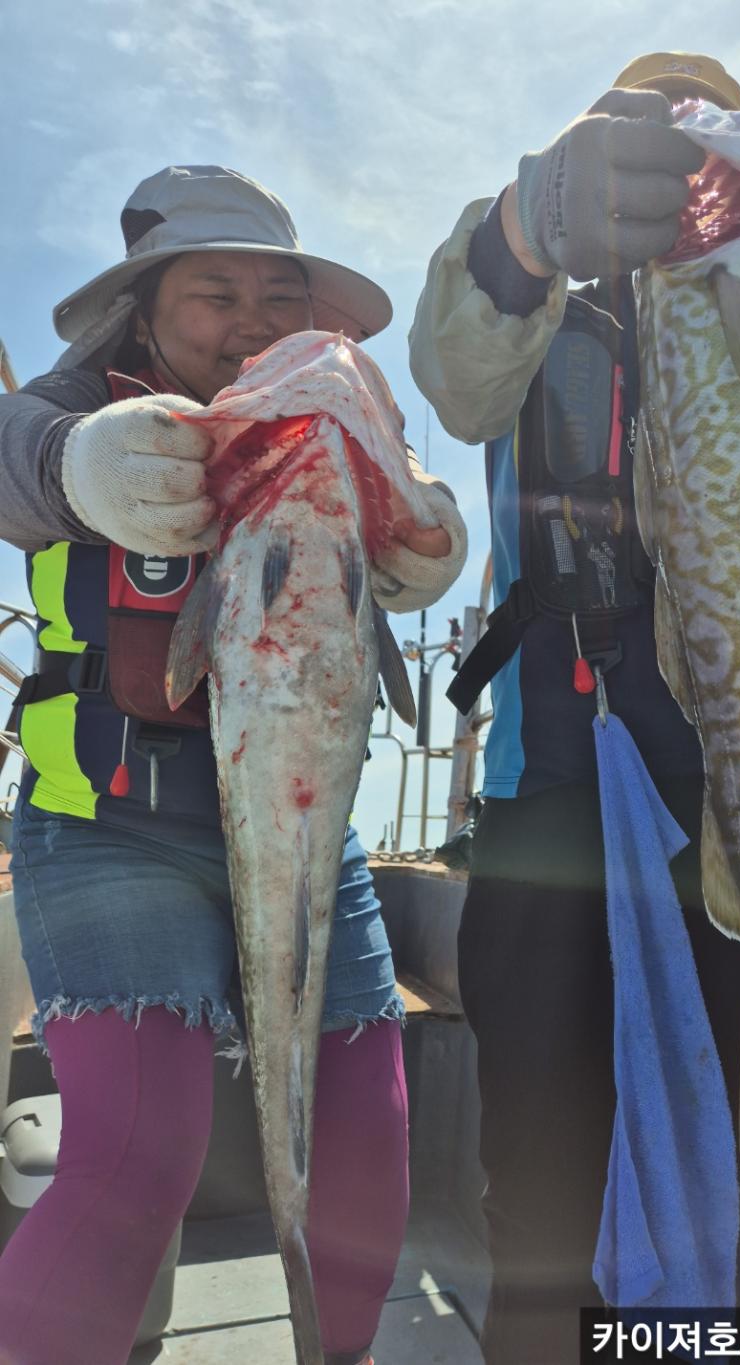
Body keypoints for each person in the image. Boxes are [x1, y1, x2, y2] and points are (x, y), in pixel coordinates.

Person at [409, 53, 740, 1364]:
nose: (674, 139)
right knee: (552, 1195)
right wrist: (534, 219)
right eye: (641, 127)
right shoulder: (528, 298)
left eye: (698, 114)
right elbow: (452, 371)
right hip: (558, 801)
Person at [0, 165, 467, 1365]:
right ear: (143, 311)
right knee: (136, 1161)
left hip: (309, 827)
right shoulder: (68, 408)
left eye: (277, 292)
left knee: (368, 1142)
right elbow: (11, 454)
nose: (252, 320)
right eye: (215, 292)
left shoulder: (325, 404)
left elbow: (403, 512)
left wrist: (422, 523)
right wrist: (76, 467)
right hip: (110, 825)